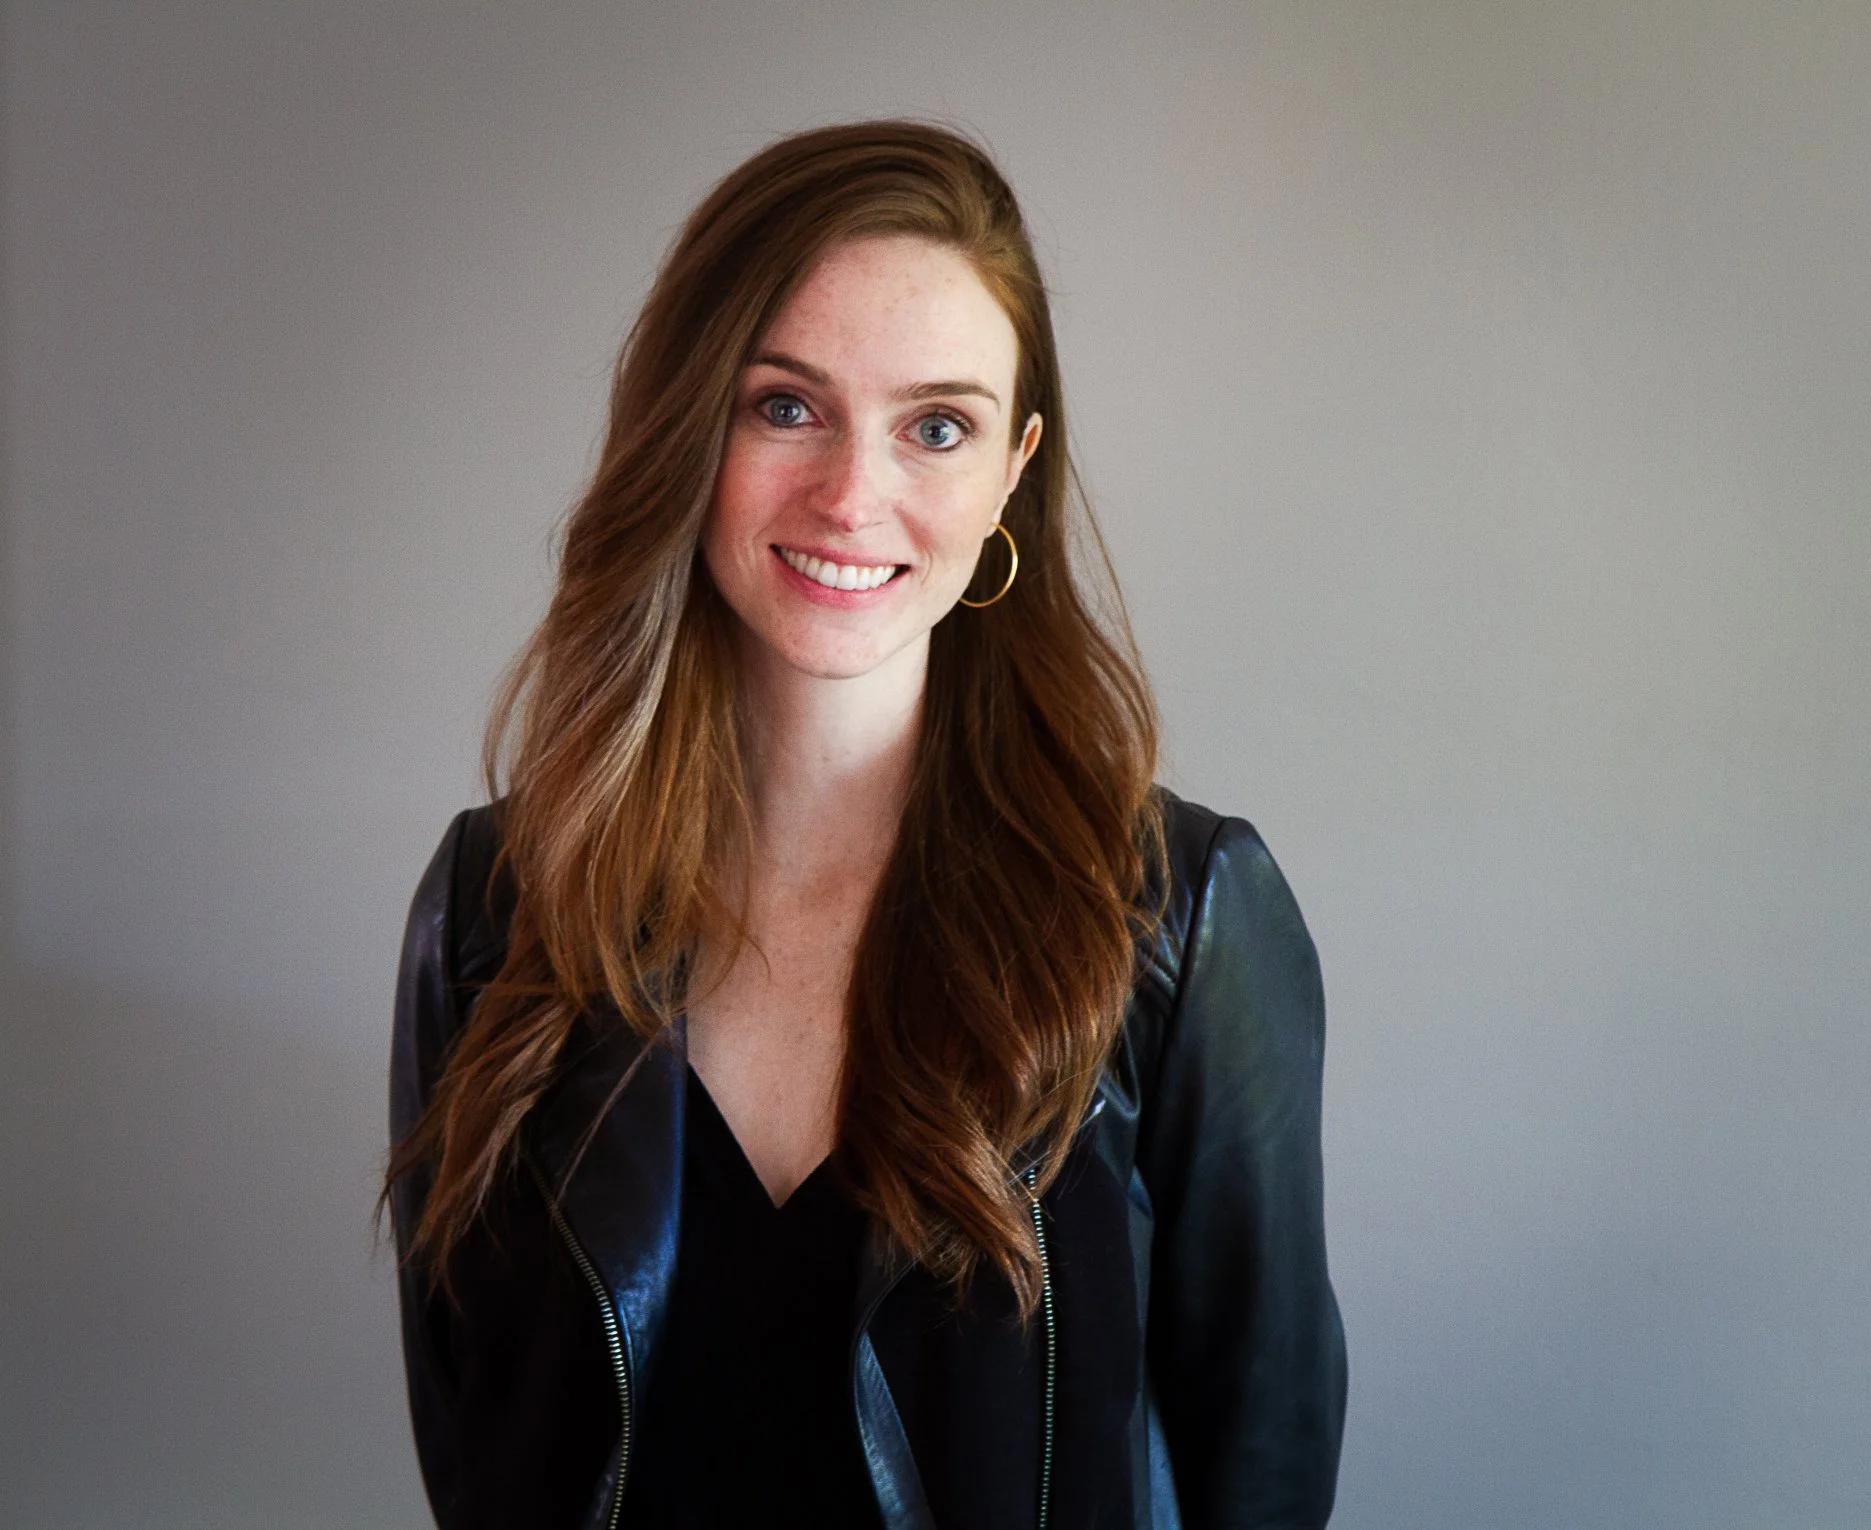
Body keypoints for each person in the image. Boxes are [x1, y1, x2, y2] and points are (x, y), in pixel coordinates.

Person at [385, 118, 1346, 1530]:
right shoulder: (493, 902)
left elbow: (1258, 1469)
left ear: (1013, 467)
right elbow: (471, 1444)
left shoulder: (1182, 917)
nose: (852, 493)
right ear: (688, 421)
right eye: (786, 405)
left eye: (936, 425)